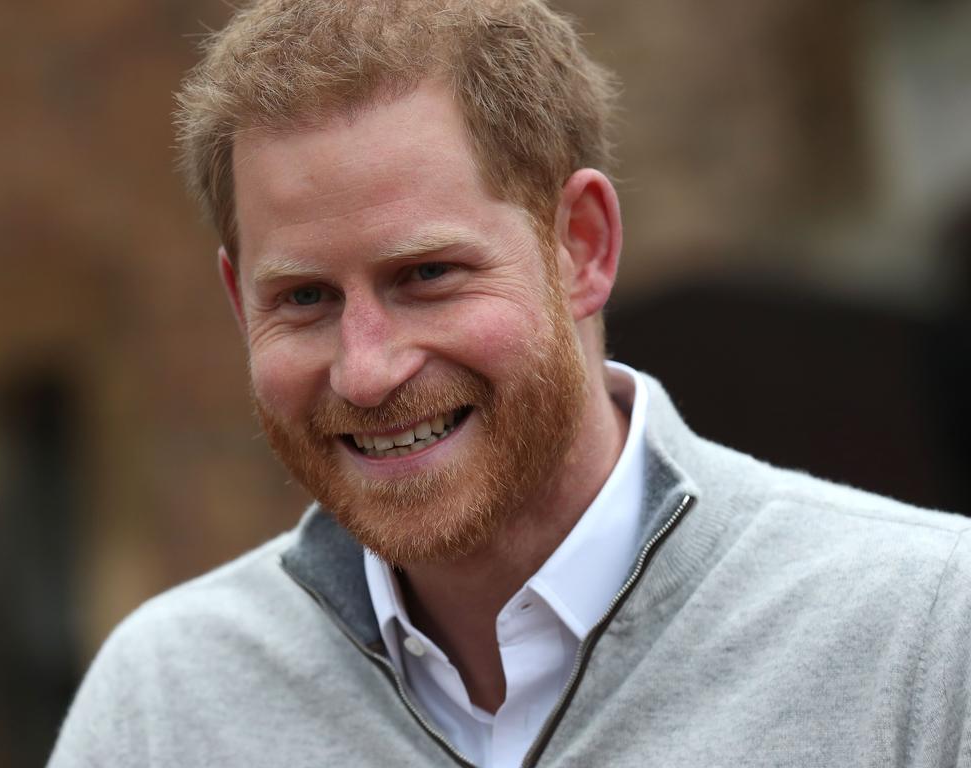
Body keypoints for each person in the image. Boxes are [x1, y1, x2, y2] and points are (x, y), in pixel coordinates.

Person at [49, 1, 971, 766]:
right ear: (237, 302)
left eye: (427, 276)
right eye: (303, 297)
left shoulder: (923, 637)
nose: (367, 371)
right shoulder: (163, 707)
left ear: (582, 247)